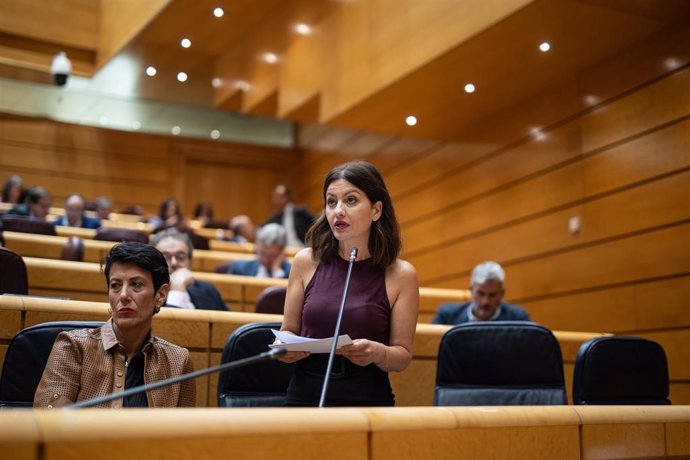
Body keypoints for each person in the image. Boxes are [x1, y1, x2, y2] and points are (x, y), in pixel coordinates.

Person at [277, 161, 419, 407]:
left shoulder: (401, 274)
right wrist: (284, 348)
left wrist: (378, 352)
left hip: (366, 395)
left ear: (376, 210)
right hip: (306, 392)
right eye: (331, 202)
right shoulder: (305, 261)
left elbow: (402, 356)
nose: (338, 211)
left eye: (350, 200)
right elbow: (288, 330)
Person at [34, 242, 196, 408]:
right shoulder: (73, 347)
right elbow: (49, 427)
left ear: (160, 295)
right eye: (116, 285)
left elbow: (185, 432)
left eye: (136, 284)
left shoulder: (178, 361)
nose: (123, 295)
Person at [150, 228, 228, 311]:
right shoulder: (149, 294)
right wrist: (177, 288)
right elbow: (169, 324)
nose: (174, 263)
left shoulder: (207, 289)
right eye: (165, 258)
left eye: (180, 257)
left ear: (190, 263)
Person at [432, 261, 531, 325]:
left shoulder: (518, 319)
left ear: (502, 294)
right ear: (471, 290)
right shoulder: (447, 316)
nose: (486, 301)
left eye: (492, 295)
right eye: (480, 293)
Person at [227, 223, 291, 279]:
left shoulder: (292, 273)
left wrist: (277, 272)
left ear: (282, 252)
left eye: (271, 256)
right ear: (257, 247)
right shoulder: (239, 269)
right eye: (262, 254)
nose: (265, 260)